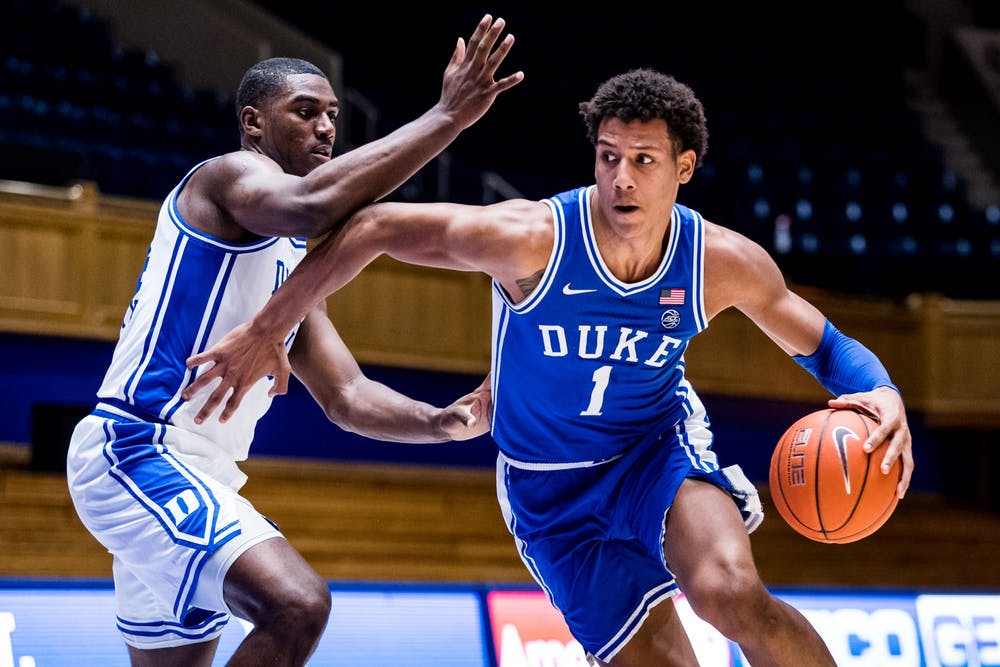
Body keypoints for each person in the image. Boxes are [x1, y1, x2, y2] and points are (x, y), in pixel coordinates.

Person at [183, 68, 914, 666]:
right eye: (609, 156)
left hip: (653, 449)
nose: (621, 178)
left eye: (644, 160)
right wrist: (267, 327)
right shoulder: (533, 238)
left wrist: (879, 391)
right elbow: (373, 227)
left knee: (729, 591)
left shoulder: (718, 261)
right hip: (550, 492)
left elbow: (824, 346)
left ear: (684, 168)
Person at [65, 14, 521, 667]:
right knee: (298, 603)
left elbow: (347, 394)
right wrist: (446, 117)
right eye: (305, 112)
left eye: (332, 115)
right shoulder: (227, 177)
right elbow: (312, 203)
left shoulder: (292, 263)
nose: (326, 128)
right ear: (254, 123)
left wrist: (441, 422)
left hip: (204, 473)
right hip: (139, 451)